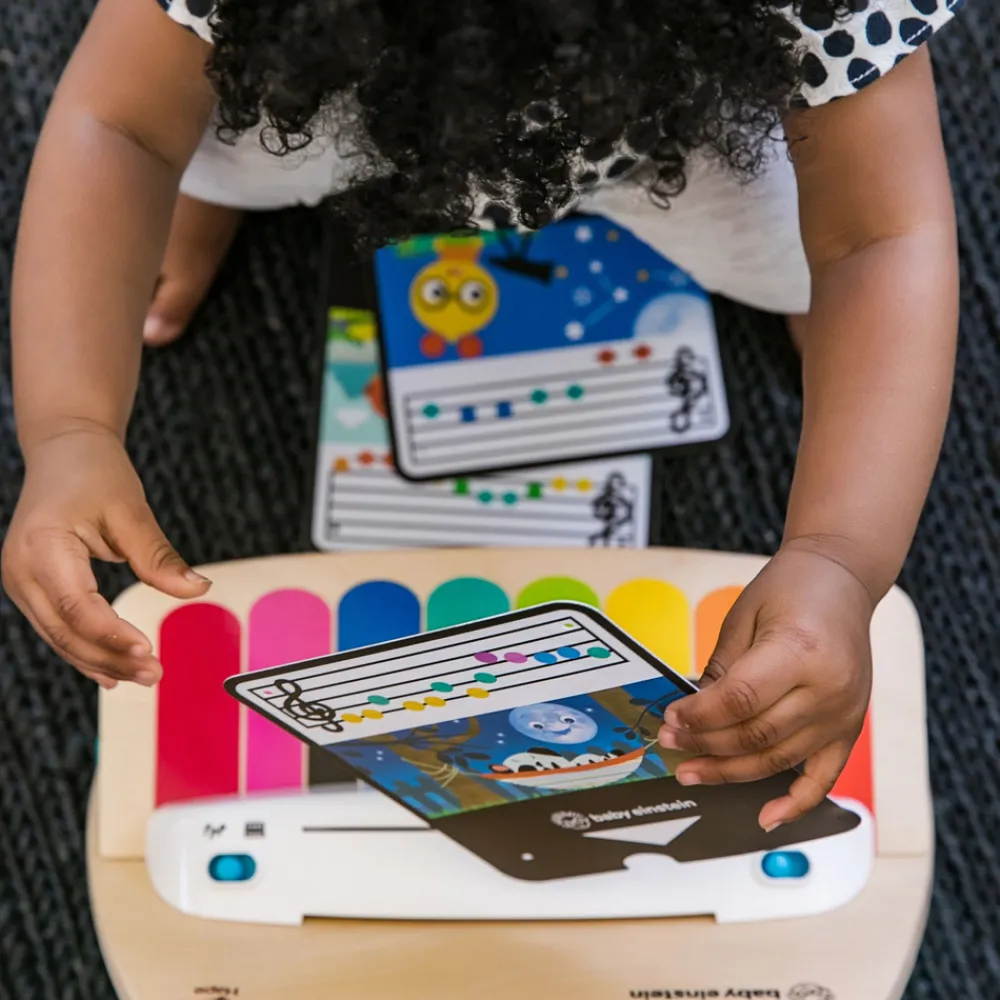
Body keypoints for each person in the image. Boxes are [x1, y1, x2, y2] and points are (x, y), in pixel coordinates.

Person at [2, 0, 962, 833]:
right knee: (197, 125)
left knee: (827, 248)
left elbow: (877, 237)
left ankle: (808, 287)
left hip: (680, 135)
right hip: (339, 93)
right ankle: (205, 181)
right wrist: (72, 427)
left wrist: (840, 556)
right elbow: (121, 125)